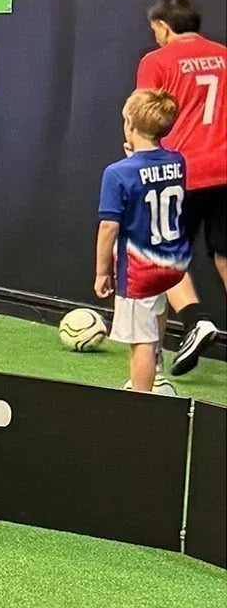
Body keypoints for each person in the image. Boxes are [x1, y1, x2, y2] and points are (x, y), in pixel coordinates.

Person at [137, 0, 226, 376]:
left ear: (163, 27)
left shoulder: (156, 61)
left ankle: (180, 335)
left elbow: (144, 117)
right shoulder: (224, 55)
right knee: (225, 255)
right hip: (225, 171)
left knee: (159, 258)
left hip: (179, 172)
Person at [97, 89, 189, 394]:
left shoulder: (117, 173)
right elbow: (152, 177)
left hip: (140, 271)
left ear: (130, 126)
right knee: (157, 312)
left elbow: (109, 226)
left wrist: (101, 272)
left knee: (142, 343)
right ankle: (157, 374)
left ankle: (141, 403)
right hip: (172, 262)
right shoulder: (178, 161)